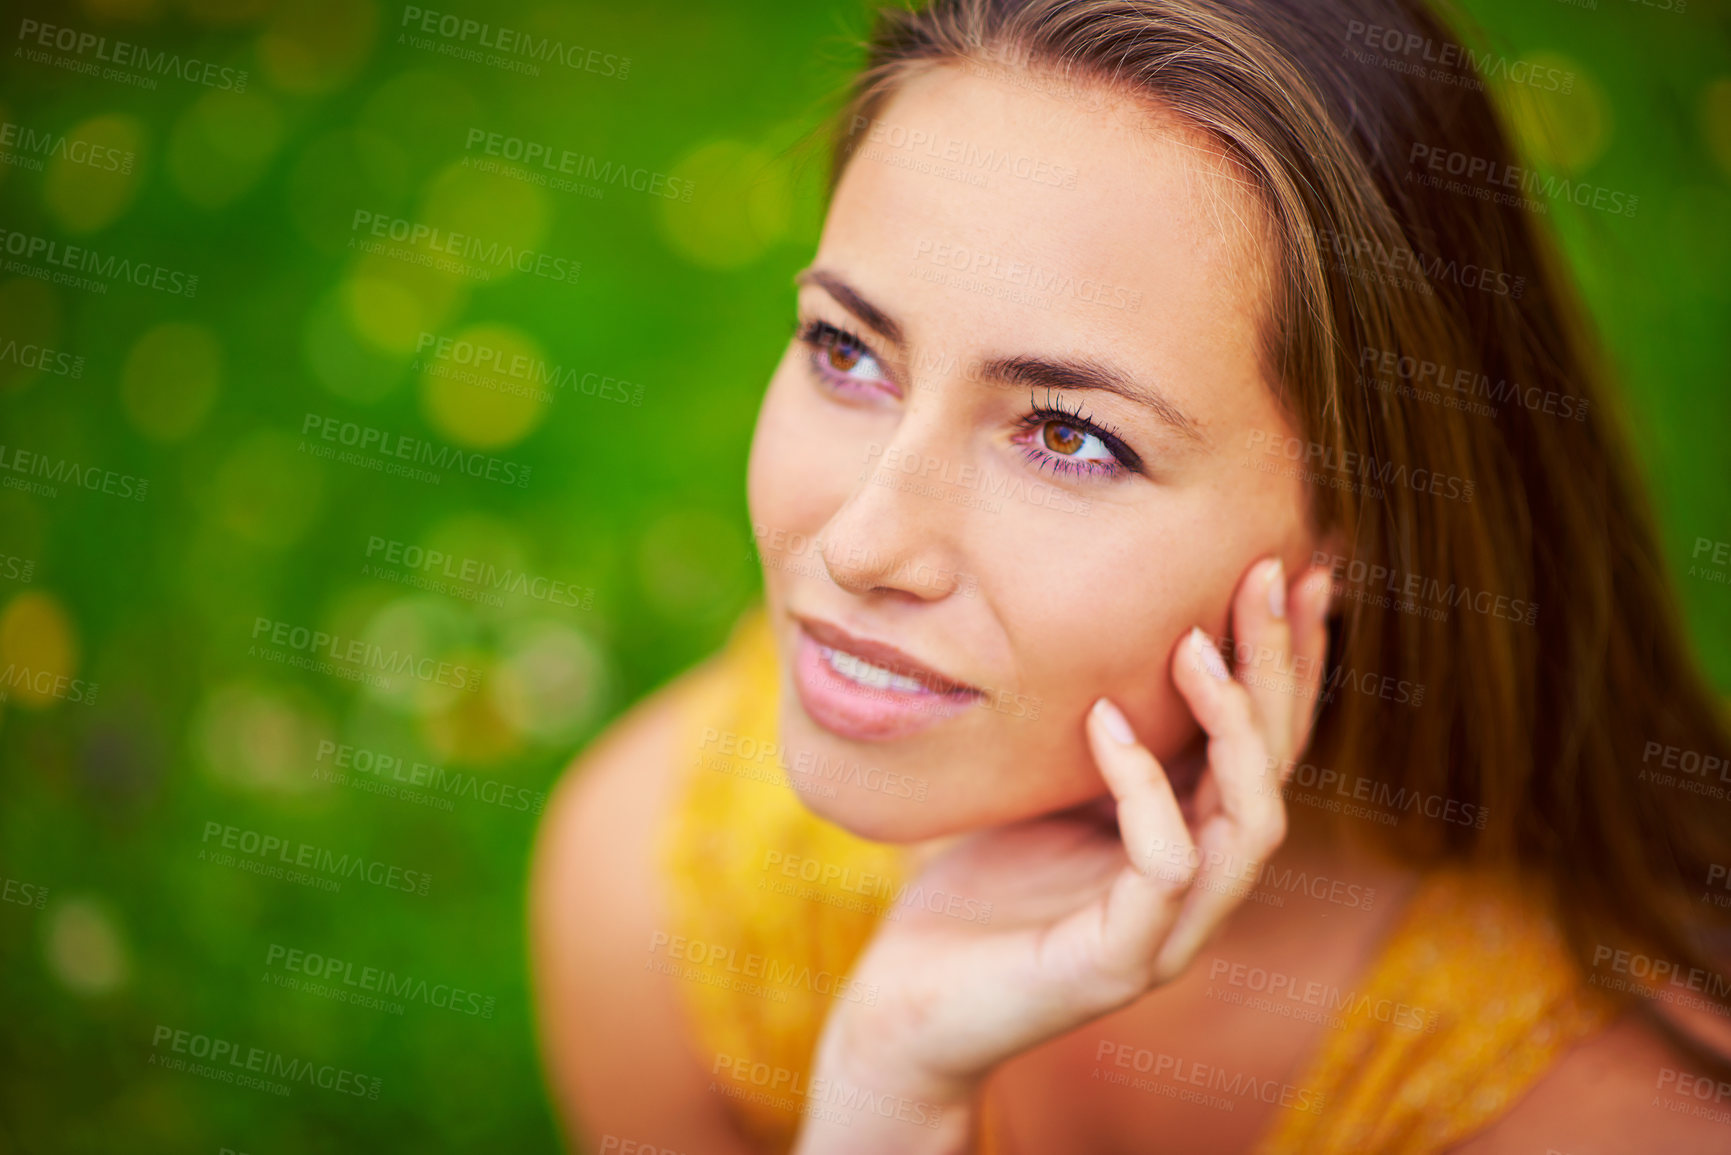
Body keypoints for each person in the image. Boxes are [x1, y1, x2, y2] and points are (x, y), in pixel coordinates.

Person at [530, 0, 1731, 1150]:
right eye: (847, 352)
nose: (858, 543)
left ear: (1369, 518)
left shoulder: (1620, 1110)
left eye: (1067, 436)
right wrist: (887, 1086)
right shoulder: (666, 889)